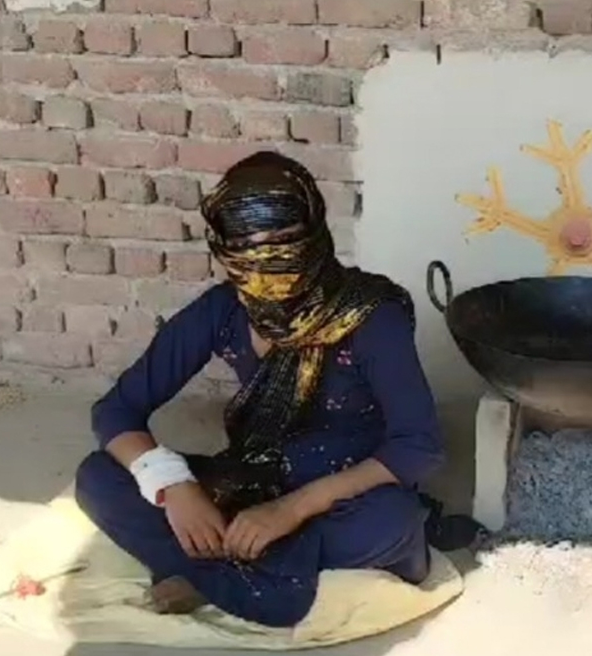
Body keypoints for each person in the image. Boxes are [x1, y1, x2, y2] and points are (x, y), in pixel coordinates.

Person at [74, 151, 447, 628]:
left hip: (342, 496)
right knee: (99, 477)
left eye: (285, 241)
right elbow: (117, 410)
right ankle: (245, 573)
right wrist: (173, 486)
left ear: (314, 233)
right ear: (224, 249)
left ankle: (206, 577)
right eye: (249, 247)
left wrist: (292, 509)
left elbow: (419, 447)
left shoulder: (370, 316)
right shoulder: (223, 311)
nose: (269, 262)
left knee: (393, 522)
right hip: (251, 480)